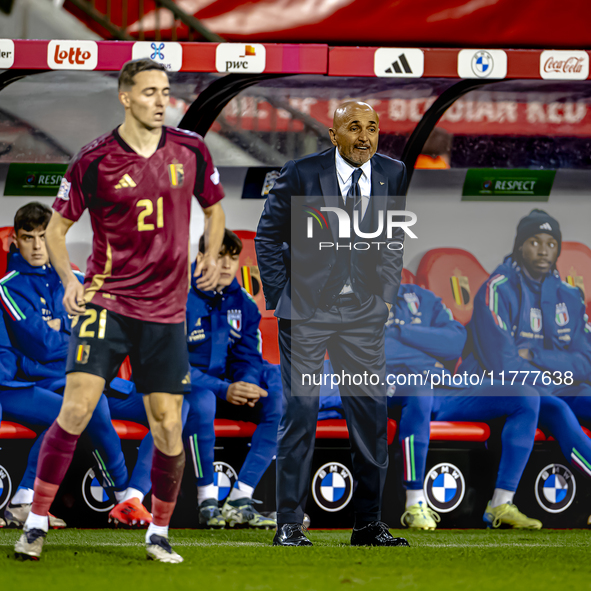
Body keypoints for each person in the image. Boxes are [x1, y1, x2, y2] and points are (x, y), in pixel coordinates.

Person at [14, 58, 225, 563]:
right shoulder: (93, 159)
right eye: (150, 92)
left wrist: (212, 255)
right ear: (125, 97)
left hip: (165, 313)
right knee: (77, 407)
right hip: (107, 304)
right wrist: (69, 280)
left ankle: (159, 532)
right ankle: (36, 521)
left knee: (169, 424)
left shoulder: (191, 149)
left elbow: (215, 209)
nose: (161, 100)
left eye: (166, 91)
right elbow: (59, 230)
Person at [256, 101, 410, 547]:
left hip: (362, 316)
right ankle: (288, 524)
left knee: (369, 417)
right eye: (355, 128)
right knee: (302, 411)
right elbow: (268, 236)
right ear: (333, 134)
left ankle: (368, 525)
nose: (365, 136)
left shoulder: (392, 173)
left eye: (373, 128)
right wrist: (283, 294)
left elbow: (392, 237)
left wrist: (384, 297)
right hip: (307, 313)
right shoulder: (301, 173)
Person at [322, 283, 542, 530]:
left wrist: (399, 330)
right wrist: (426, 353)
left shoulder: (423, 297)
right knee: (419, 390)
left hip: (444, 386)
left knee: (525, 396)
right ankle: (414, 503)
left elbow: (455, 342)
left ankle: (501, 504)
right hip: (392, 385)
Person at [0, 202, 140, 528]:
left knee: (172, 408)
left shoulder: (78, 279)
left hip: (90, 376)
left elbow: (106, 335)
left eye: (43, 237)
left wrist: (61, 331)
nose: (37, 246)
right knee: (80, 410)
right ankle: (121, 497)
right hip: (40, 382)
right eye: (28, 237)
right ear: (15, 242)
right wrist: (72, 332)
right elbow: (42, 345)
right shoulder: (9, 286)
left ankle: (131, 495)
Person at [461, 209, 591, 517]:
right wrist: (559, 369)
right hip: (504, 390)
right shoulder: (497, 289)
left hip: (555, 386)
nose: (543, 249)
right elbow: (502, 364)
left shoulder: (571, 296)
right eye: (534, 241)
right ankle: (501, 505)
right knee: (557, 409)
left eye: (551, 243)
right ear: (520, 245)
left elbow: (586, 361)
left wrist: (534, 355)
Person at [185, 230, 281, 529]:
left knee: (279, 384)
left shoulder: (244, 303)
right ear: (201, 258)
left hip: (227, 388)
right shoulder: (176, 296)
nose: (227, 265)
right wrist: (225, 389)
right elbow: (171, 366)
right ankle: (206, 501)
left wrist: (248, 383)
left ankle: (241, 497)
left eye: (233, 257)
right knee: (201, 401)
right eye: (219, 256)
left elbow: (248, 354)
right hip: (188, 388)